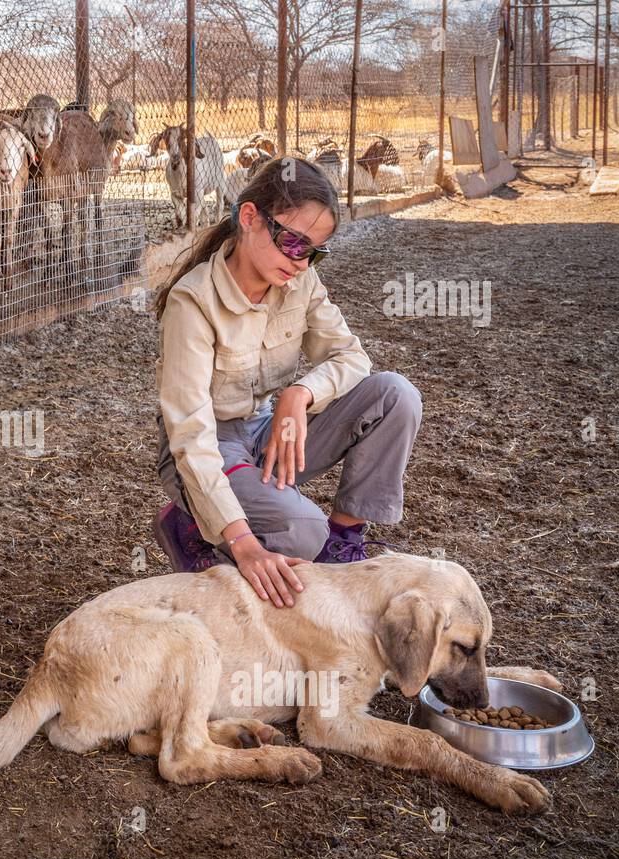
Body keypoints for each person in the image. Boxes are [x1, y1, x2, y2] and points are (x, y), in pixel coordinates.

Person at [154, 155, 422, 609]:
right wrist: (242, 542)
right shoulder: (192, 303)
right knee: (301, 531)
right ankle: (192, 525)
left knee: (396, 396)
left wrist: (300, 394)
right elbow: (191, 438)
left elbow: (352, 355)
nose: (301, 263)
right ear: (250, 218)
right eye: (294, 243)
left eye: (314, 251)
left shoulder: (301, 282)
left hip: (265, 430)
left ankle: (343, 542)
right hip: (207, 450)